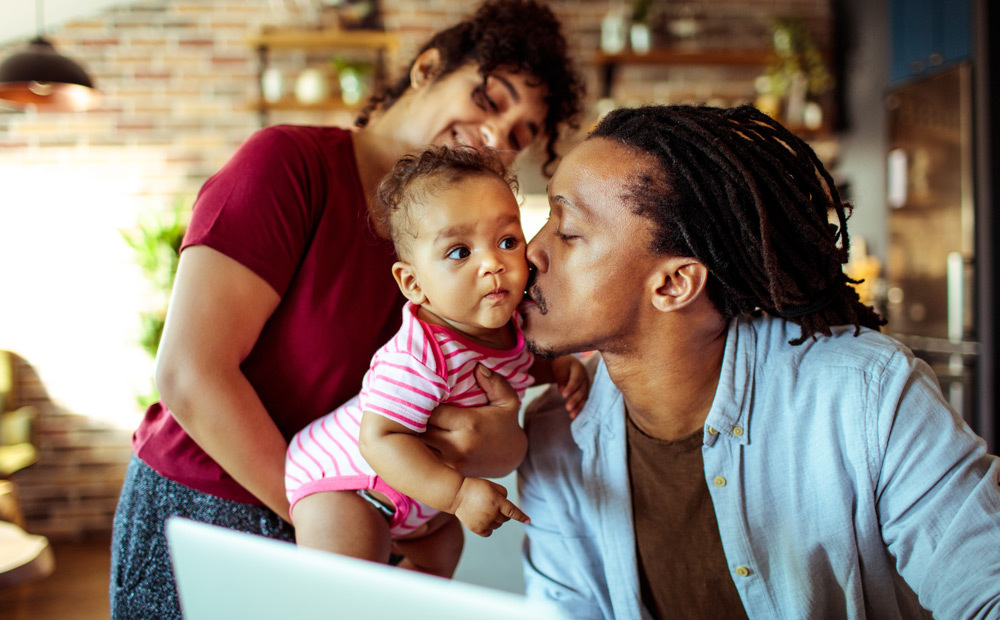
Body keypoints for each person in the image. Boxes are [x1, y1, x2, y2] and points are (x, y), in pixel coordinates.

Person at [109, 1, 584, 616]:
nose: (497, 136)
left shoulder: (475, 267)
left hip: (365, 522)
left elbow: (472, 420)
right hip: (212, 508)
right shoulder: (288, 166)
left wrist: (494, 447)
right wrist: (335, 529)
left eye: (520, 135)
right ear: (427, 69)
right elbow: (190, 375)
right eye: (491, 100)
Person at [517, 104, 1000, 619]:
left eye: (567, 233)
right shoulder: (553, 433)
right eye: (546, 220)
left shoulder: (869, 397)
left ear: (674, 283)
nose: (528, 253)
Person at [285, 146, 588, 578]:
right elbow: (380, 437)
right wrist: (460, 495)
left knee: (441, 555)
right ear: (414, 283)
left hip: (423, 499)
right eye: (460, 252)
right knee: (351, 590)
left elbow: (516, 363)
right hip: (350, 483)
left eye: (507, 241)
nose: (493, 264)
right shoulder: (419, 354)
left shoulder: (516, 325)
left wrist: (557, 368)